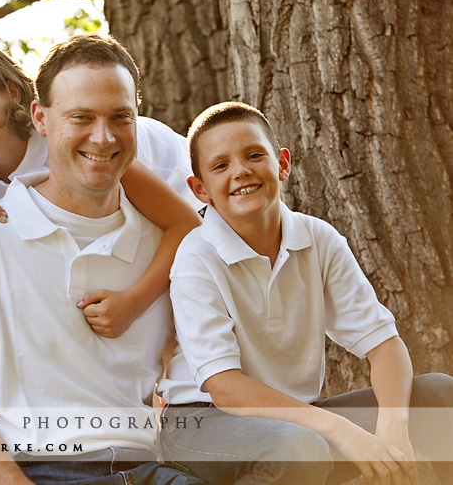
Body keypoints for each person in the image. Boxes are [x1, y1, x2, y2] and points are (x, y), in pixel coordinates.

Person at [0, 34, 206, 485]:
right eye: (81, 117)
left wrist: (139, 302)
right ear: (41, 118)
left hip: (149, 464)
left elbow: (194, 224)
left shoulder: (165, 235)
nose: (103, 136)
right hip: (43, 468)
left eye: (121, 117)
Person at [157, 101, 453, 484]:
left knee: (438, 398)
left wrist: (392, 430)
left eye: (254, 155)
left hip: (297, 419)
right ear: (200, 190)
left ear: (282, 163)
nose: (241, 171)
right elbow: (225, 388)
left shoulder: (318, 238)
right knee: (299, 448)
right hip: (199, 421)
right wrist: (343, 431)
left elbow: (384, 343)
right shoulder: (196, 258)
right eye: (220, 165)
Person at [0, 33, 201, 338]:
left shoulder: (82, 146)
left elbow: (185, 224)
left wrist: (134, 302)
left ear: (12, 92)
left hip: (205, 215)